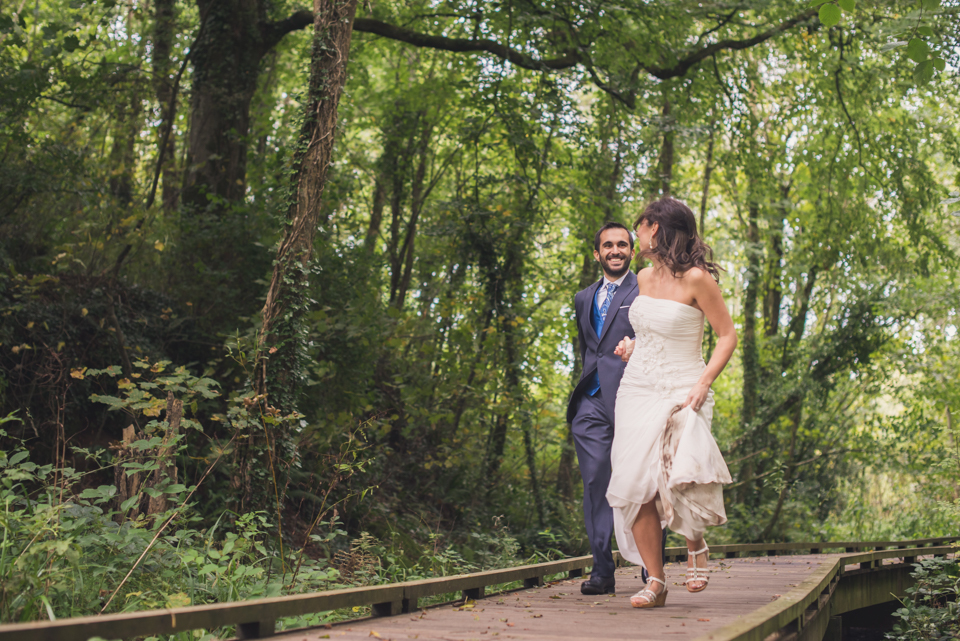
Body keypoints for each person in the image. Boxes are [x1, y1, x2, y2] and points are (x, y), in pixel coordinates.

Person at [608, 197, 736, 609]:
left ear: (656, 228)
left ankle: (695, 543)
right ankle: (656, 580)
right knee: (636, 483)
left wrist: (703, 383)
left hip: (684, 387)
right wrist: (633, 345)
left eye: (639, 227)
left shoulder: (698, 279)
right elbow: (648, 331)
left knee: (680, 474)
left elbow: (727, 336)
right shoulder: (643, 278)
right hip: (637, 388)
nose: (635, 234)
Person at [566, 222, 638, 595]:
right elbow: (587, 349)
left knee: (643, 482)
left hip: (633, 397)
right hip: (591, 402)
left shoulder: (645, 289)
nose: (615, 250)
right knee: (595, 482)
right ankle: (602, 570)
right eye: (608, 245)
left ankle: (648, 567)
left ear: (631, 251)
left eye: (622, 245)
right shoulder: (582, 298)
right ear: (597, 253)